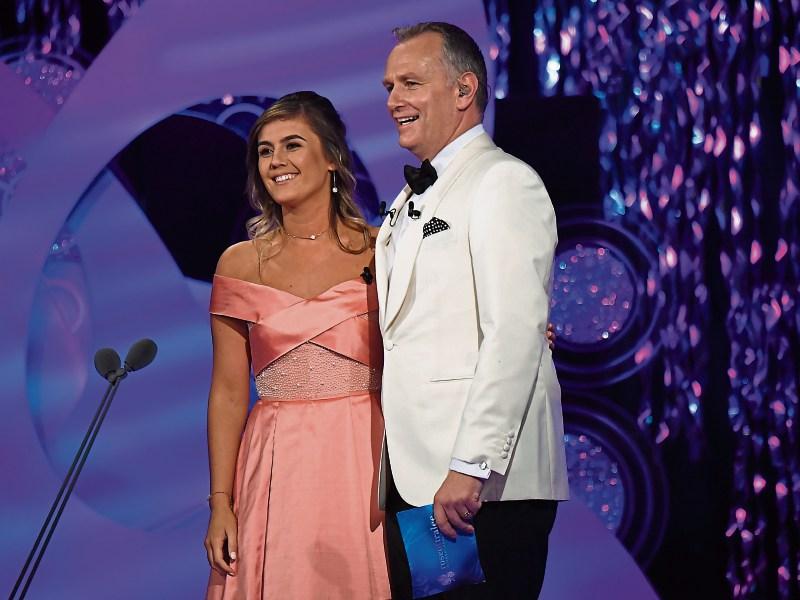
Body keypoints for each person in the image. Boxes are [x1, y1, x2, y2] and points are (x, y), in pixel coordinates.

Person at [375, 22, 570, 599]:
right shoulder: (409, 200)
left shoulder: (504, 182)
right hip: (421, 475)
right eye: (388, 86)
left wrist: (472, 465)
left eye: (410, 82)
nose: (393, 101)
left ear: (464, 90)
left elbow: (513, 331)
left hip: (481, 483)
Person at [203, 91, 390, 599]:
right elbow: (226, 393)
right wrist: (221, 502)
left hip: (364, 455)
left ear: (331, 157)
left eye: (292, 145)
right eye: (264, 151)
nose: (276, 162)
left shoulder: (383, 250)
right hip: (275, 466)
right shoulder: (239, 264)